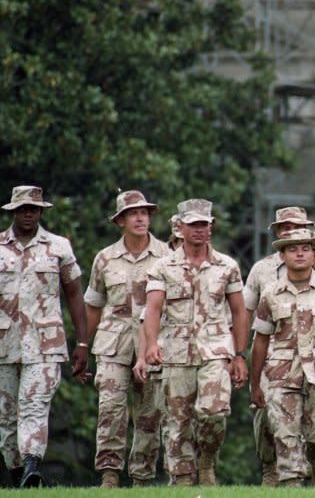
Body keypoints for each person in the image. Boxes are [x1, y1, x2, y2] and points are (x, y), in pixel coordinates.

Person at [143, 199, 249, 486]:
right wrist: (151, 344)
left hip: (216, 350)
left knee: (214, 412)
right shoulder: (162, 267)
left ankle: (206, 461)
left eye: (205, 224)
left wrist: (239, 355)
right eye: (194, 225)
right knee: (177, 421)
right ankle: (182, 478)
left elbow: (239, 311)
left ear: (211, 227)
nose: (200, 230)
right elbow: (152, 309)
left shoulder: (227, 266)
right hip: (176, 352)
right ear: (180, 227)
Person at [0, 185, 89, 488]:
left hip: (45, 343)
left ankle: (31, 465)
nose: (29, 213)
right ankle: (18, 475)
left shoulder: (59, 247)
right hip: (3, 343)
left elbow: (75, 294)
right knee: (6, 416)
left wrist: (82, 343)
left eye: (34, 209)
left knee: (34, 406)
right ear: (13, 211)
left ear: (41, 212)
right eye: (23, 208)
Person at [84, 190, 168, 488]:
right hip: (112, 344)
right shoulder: (104, 259)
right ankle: (109, 474)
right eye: (133, 213)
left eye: (144, 212)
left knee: (149, 413)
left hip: (153, 344)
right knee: (110, 407)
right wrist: (82, 344)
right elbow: (93, 305)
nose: (140, 218)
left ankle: (142, 478)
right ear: (120, 220)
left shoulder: (167, 256)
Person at [249, 229, 315, 487]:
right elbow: (260, 340)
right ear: (282, 256)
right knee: (285, 433)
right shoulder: (270, 293)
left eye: (305, 248)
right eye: (292, 249)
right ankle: (291, 483)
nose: (300, 253)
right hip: (282, 374)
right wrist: (255, 383)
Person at [244, 206, 315, 486]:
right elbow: (245, 311)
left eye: (296, 226)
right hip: (273, 354)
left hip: (313, 355)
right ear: (277, 232)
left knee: (314, 418)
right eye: (284, 227)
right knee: (267, 415)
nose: (290, 231)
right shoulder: (262, 269)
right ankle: (271, 470)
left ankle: (311, 471)